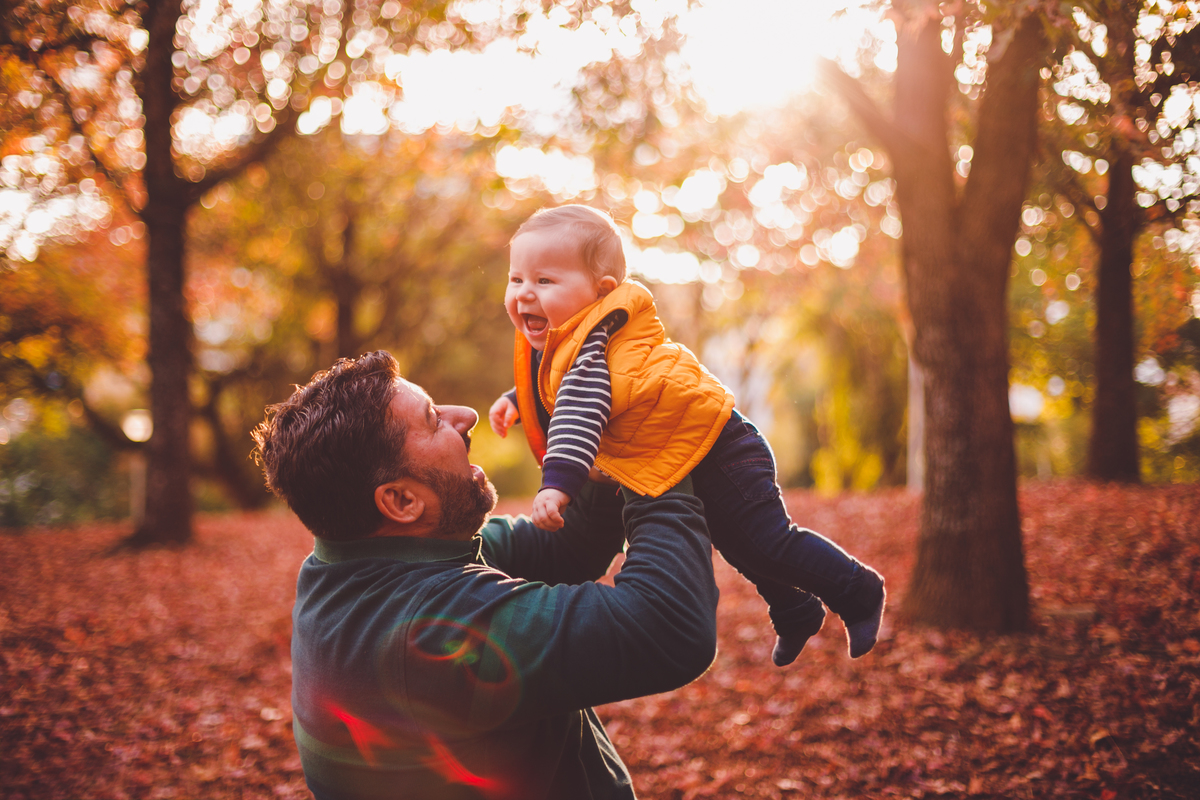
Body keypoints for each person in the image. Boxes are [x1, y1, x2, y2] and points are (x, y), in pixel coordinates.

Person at [252, 350, 719, 800]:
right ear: (400, 501)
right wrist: (655, 459)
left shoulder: (355, 563)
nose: (467, 416)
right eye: (434, 419)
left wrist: (595, 452)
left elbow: (565, 550)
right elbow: (669, 625)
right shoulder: (430, 631)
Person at [490, 204, 886, 667]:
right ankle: (795, 609)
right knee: (738, 543)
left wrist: (557, 485)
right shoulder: (593, 334)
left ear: (600, 292)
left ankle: (858, 590)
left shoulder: (590, 349)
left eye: (544, 281)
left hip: (720, 448)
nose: (525, 294)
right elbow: (572, 375)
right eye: (516, 279)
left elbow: (582, 406)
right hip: (691, 444)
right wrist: (518, 399)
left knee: (766, 541)